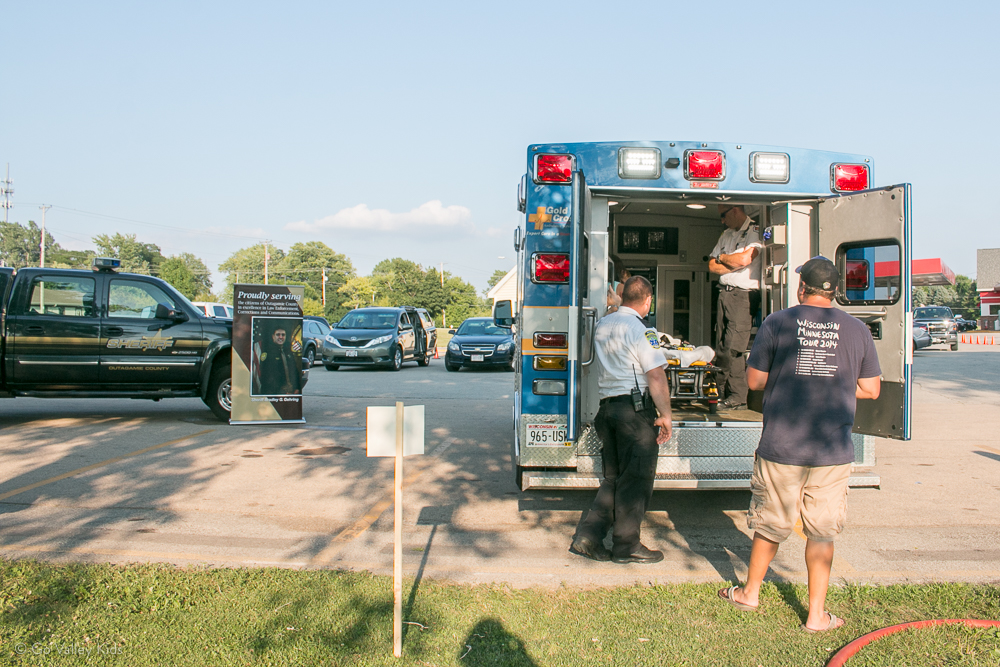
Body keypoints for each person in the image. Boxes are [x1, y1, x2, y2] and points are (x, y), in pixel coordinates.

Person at [717, 256, 881, 633]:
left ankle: (749, 594)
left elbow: (755, 381)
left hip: (781, 445)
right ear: (835, 291)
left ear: (801, 288)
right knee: (821, 532)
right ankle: (816, 615)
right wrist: (835, 385)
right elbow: (871, 389)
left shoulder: (777, 322)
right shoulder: (857, 330)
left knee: (770, 525)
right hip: (832, 449)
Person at [570, 275, 673, 564]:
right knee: (635, 481)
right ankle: (627, 546)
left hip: (608, 411)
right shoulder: (643, 330)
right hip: (634, 412)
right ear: (648, 300)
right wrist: (665, 415)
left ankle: (589, 537)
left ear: (623, 295)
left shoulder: (604, 323)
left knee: (613, 480)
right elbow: (655, 374)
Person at [708, 205, 762, 410]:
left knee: (734, 348)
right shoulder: (726, 235)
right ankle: (721, 392)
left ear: (736, 210)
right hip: (724, 293)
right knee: (721, 346)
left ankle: (737, 395)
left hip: (743, 296)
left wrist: (723, 258)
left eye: (723, 215)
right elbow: (712, 265)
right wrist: (727, 261)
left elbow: (745, 259)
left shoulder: (754, 232)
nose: (722, 221)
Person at [258, 326, 302, 395]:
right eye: (278, 335)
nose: (281, 337)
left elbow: (294, 372)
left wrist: (297, 388)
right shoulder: (268, 353)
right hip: (274, 394)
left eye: (283, 335)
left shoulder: (288, 352)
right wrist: (282, 392)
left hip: (292, 392)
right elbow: (267, 377)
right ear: (273, 336)